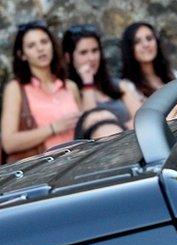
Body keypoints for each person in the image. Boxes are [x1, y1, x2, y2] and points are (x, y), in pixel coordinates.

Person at [1, 20, 81, 163]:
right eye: (31, 45)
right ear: (22, 55)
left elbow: (85, 129)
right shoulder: (16, 89)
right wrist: (53, 128)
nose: (40, 48)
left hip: (79, 161)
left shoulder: (70, 86)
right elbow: (8, 143)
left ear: (52, 45)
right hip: (44, 170)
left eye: (44, 42)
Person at [62, 24, 142, 128]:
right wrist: (88, 84)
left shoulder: (116, 85)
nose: (91, 58)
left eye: (95, 51)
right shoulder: (69, 92)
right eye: (83, 53)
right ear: (68, 57)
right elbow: (90, 125)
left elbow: (142, 118)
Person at [121, 22, 175, 98]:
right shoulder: (128, 87)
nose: (145, 45)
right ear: (129, 49)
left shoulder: (173, 74)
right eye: (137, 42)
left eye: (149, 38)